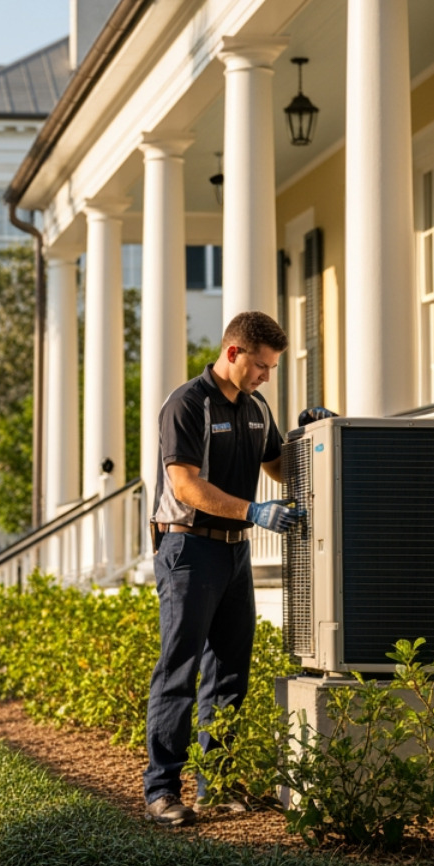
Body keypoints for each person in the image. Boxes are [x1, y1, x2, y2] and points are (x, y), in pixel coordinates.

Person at [142, 310, 334, 826]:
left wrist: (312, 438)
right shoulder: (187, 404)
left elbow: (276, 465)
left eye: (270, 369)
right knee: (179, 671)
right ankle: (162, 792)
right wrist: (254, 510)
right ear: (233, 353)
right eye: (262, 366)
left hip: (233, 553)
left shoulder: (255, 407)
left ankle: (216, 785)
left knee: (229, 674)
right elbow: (184, 485)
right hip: (188, 550)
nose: (266, 375)